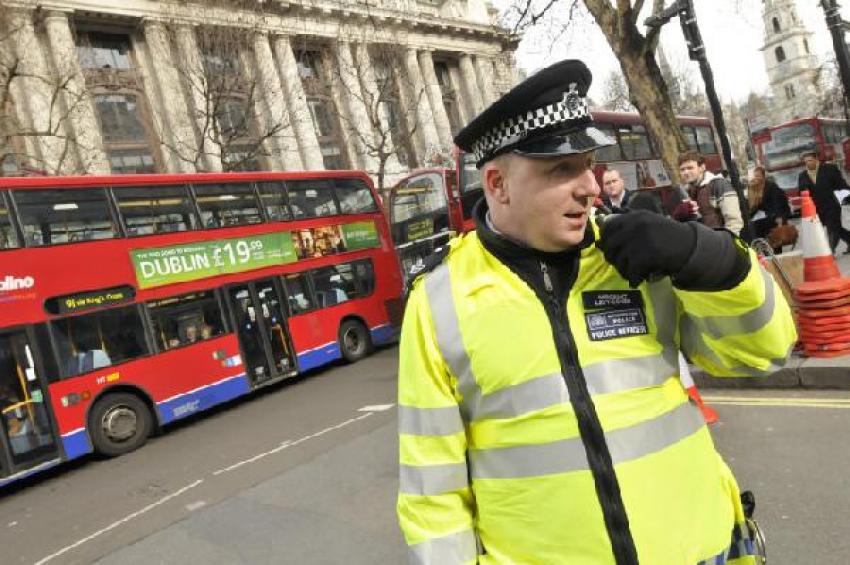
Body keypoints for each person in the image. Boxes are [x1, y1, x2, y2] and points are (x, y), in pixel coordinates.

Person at [396, 59, 795, 564]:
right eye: (561, 169)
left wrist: (710, 259)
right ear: (498, 184)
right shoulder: (438, 300)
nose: (589, 185)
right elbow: (433, 493)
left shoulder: (637, 253)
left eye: (587, 163)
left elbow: (766, 352)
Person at [679, 151, 744, 235]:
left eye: (690, 168)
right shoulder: (689, 191)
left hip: (721, 242)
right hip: (706, 242)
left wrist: (726, 242)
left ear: (702, 168)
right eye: (682, 169)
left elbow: (734, 221)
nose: (685, 172)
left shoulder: (719, 184)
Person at [797, 150, 850, 253]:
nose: (808, 163)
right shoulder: (802, 175)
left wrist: (847, 195)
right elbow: (800, 192)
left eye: (810, 160)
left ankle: (830, 251)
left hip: (832, 204)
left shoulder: (830, 169)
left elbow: (841, 184)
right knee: (836, 228)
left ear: (816, 159)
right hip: (816, 207)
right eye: (806, 161)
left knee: (832, 228)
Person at [749, 166, 791, 253]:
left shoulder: (771, 187)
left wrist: (779, 218)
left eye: (758, 176)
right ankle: (766, 255)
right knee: (760, 240)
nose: (756, 178)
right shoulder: (753, 187)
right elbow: (753, 206)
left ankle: (777, 255)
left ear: (763, 176)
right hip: (760, 219)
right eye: (755, 176)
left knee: (775, 241)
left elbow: (777, 203)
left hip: (773, 216)